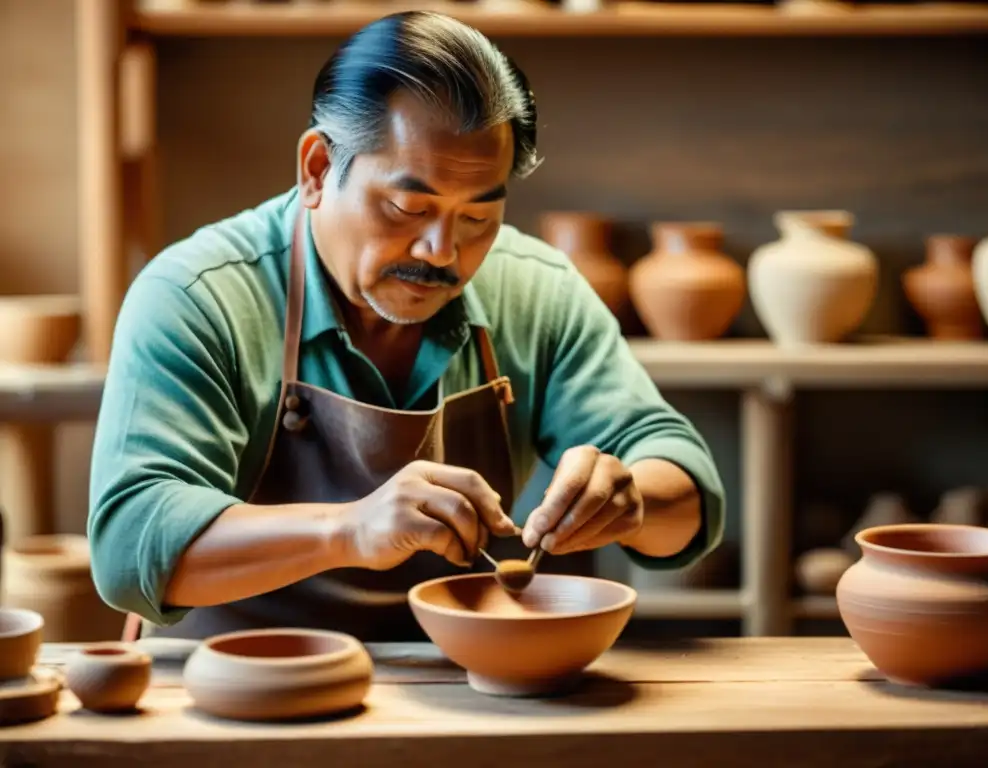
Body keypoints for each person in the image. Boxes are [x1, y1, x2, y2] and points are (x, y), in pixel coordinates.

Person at [88, 10, 726, 641]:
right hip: (228, 688)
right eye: (406, 207)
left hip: (455, 685)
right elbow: (127, 548)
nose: (441, 252)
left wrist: (631, 498)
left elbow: (686, 491)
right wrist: (349, 530)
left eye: (477, 218)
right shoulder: (198, 296)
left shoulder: (536, 289)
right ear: (316, 170)